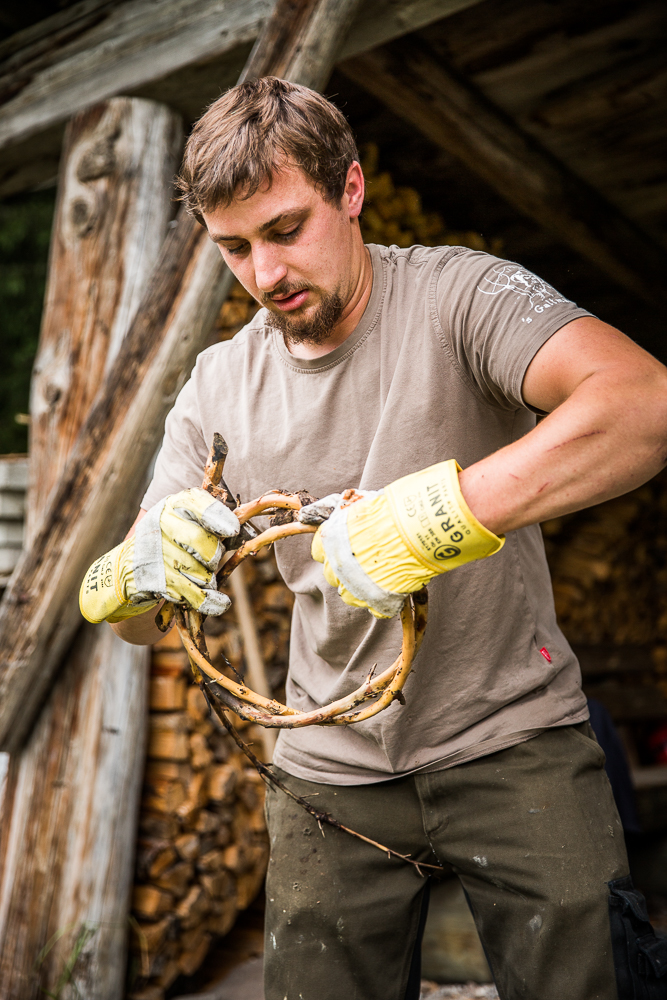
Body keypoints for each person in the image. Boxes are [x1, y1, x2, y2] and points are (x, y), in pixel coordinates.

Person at [79, 78, 667, 999]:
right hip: (327, 766)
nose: (264, 275)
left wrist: (434, 519)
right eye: (232, 248)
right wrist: (135, 571)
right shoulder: (216, 385)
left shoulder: (460, 294)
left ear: (351, 190)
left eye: (284, 230)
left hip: (510, 733)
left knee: (590, 979)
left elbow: (642, 404)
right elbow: (138, 625)